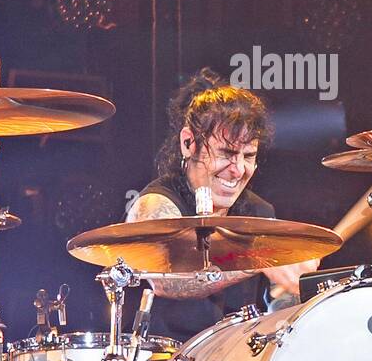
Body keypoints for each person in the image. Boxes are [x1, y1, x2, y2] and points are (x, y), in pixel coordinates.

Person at [125, 69, 316, 342]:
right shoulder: (155, 204)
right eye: (226, 153)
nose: (238, 170)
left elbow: (278, 310)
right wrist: (257, 259)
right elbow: (164, 279)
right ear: (188, 143)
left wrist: (297, 290)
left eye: (248, 156)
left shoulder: (260, 213)